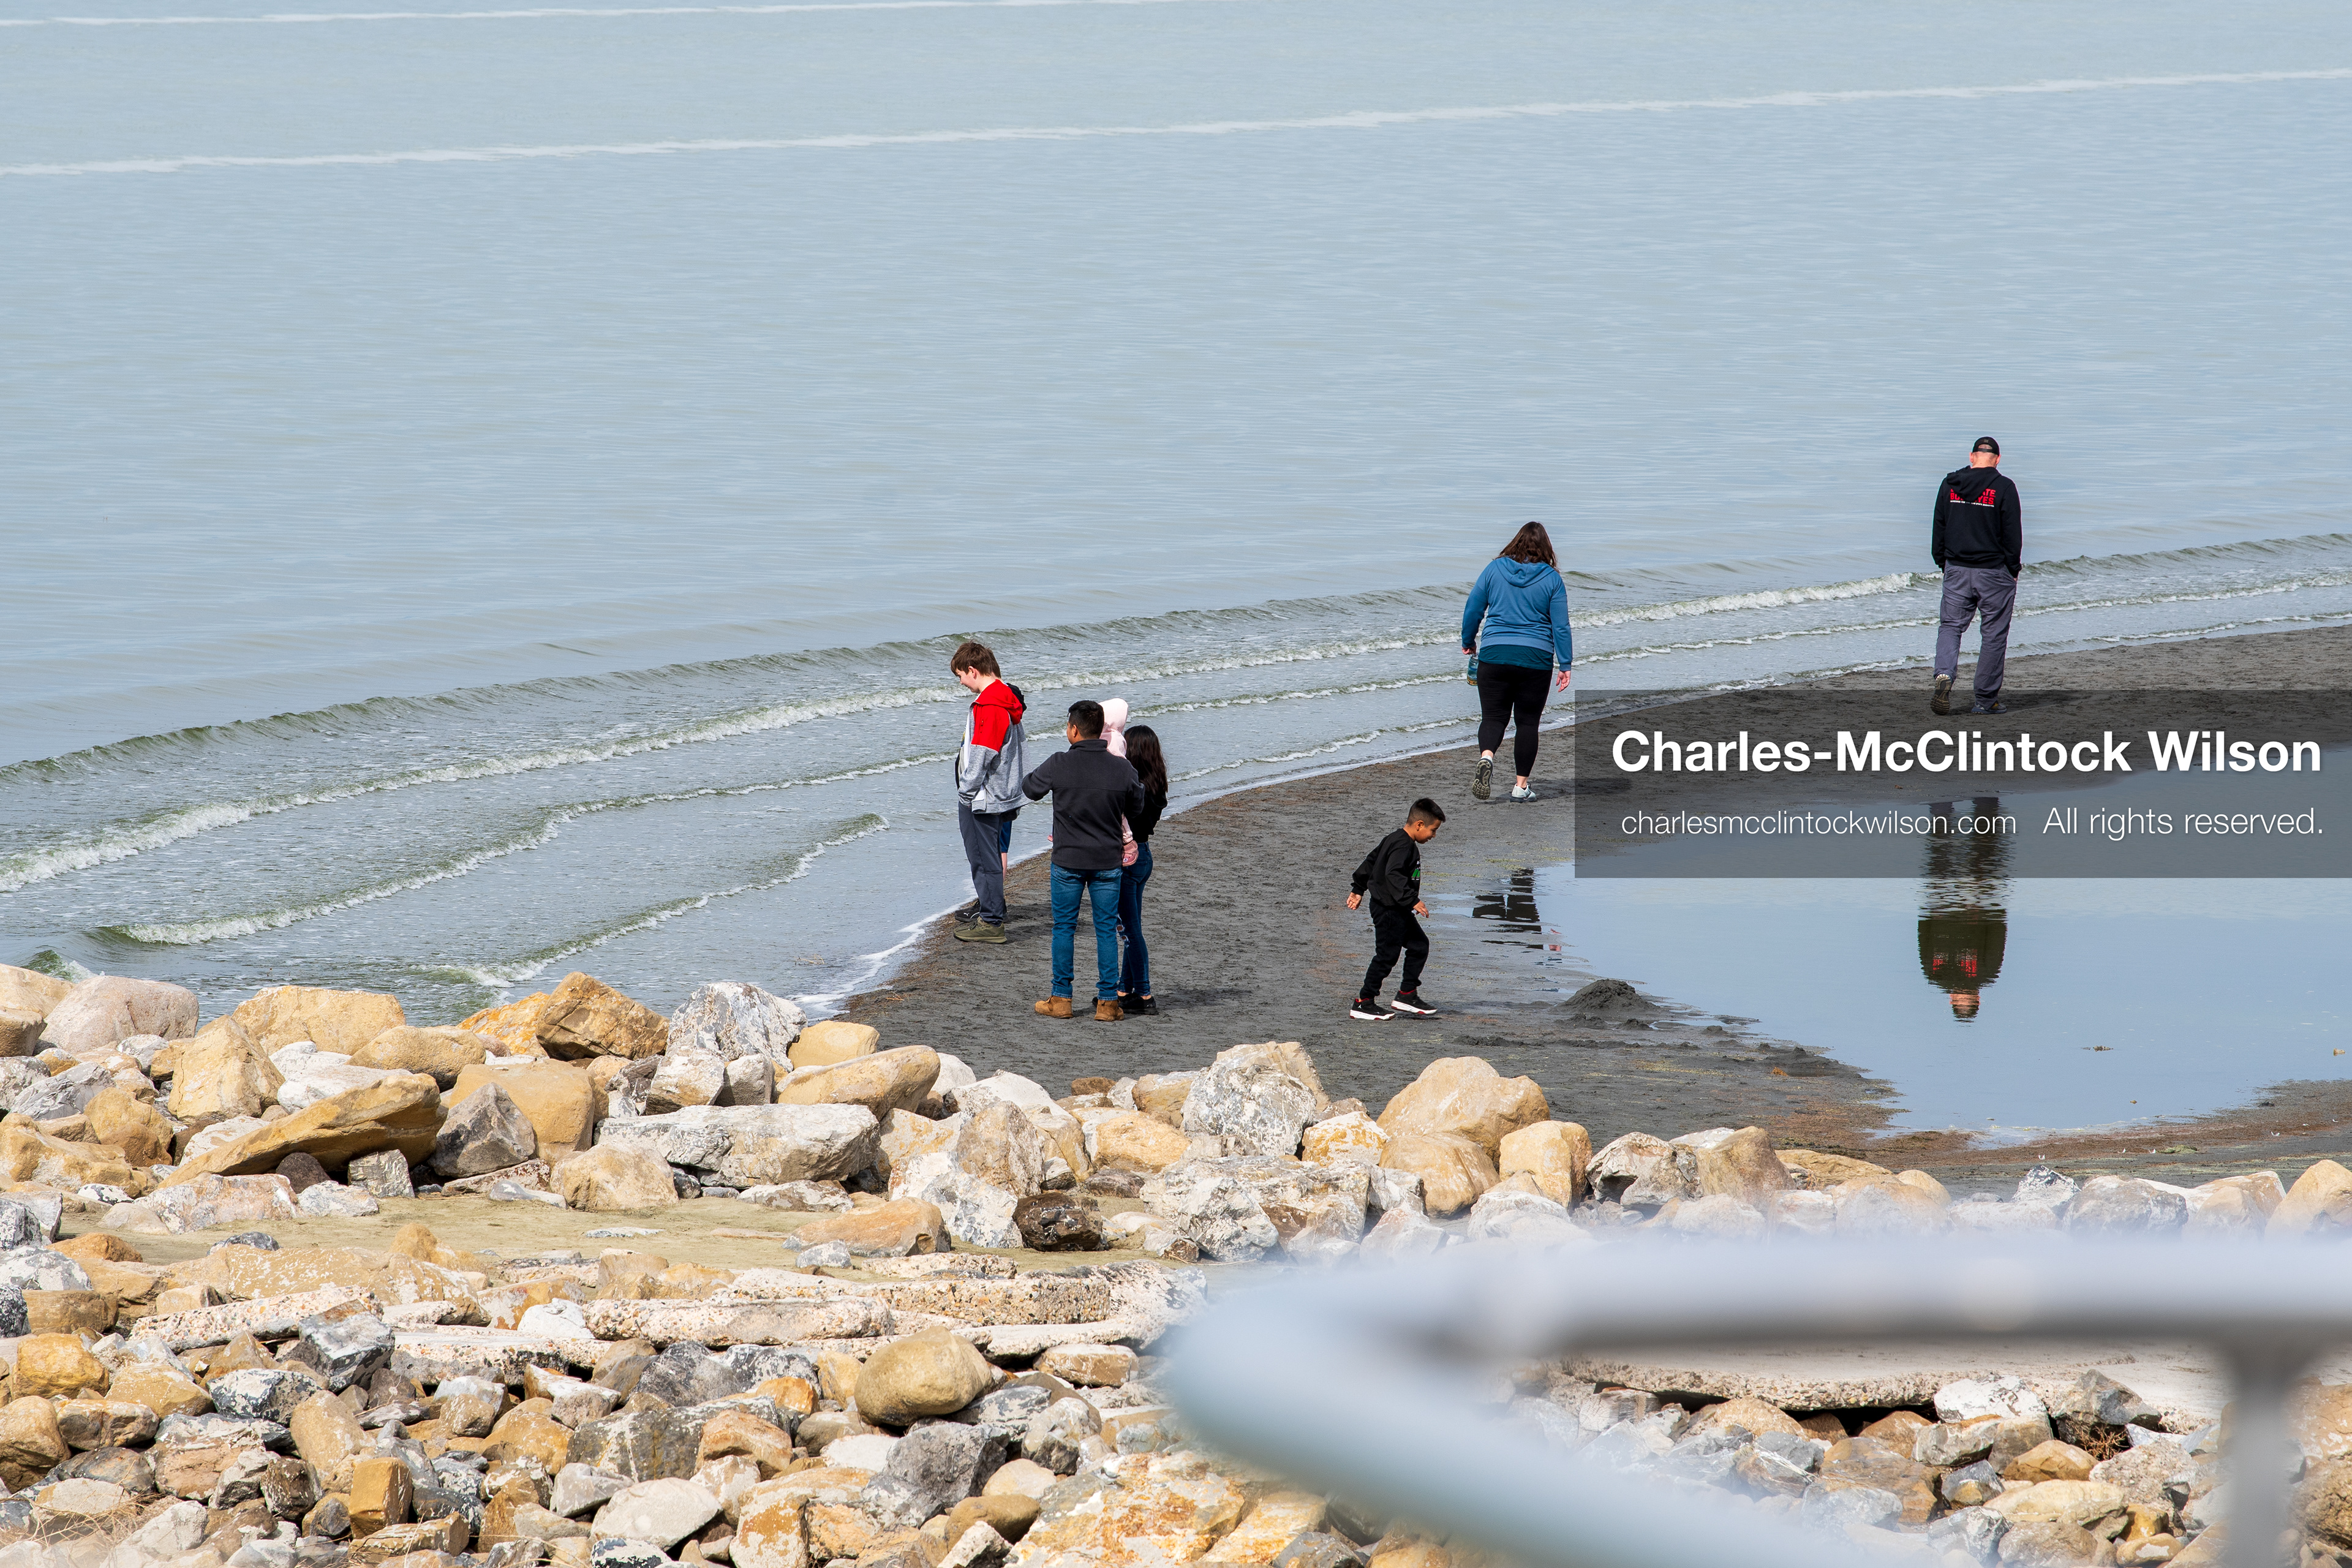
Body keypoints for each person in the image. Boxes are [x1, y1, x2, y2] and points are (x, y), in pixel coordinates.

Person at [1022, 699, 1144, 1020]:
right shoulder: (1120, 766)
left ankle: (1061, 999)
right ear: (1100, 730)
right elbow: (1137, 803)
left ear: (1074, 730)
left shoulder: (1060, 763)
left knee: (1064, 927)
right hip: (1107, 860)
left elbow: (1030, 788)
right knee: (1105, 929)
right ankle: (1107, 1003)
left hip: (1068, 860)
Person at [1461, 522, 1574, 801]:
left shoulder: (1494, 569)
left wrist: (1468, 640)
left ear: (1516, 542)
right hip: (1535, 660)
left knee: (1494, 717)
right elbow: (1561, 627)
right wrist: (1565, 664)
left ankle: (1487, 756)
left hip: (1495, 654)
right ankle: (1521, 786)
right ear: (1547, 547)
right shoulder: (1552, 579)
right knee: (1527, 723)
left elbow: (1474, 607)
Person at [1930, 437, 2023, 716]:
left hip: (1957, 569)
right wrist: (2014, 568)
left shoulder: (1950, 485)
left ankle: (1944, 675)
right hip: (1994, 573)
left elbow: (1939, 524)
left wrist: (1942, 561)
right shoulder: (2004, 487)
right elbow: (2012, 534)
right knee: (1993, 634)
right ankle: (1985, 700)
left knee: (1950, 626)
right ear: (1997, 459)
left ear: (1973, 457)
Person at [950, 641, 1026, 943]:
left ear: (973, 670)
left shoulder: (991, 704)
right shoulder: (1005, 698)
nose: (961, 683)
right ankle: (990, 915)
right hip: (998, 792)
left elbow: (983, 753)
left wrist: (966, 792)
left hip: (983, 796)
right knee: (988, 856)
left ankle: (992, 921)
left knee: (984, 858)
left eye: (960, 676)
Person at [1346, 797, 1446, 1020]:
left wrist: (1359, 888)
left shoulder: (1394, 838)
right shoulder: (1403, 845)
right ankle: (1364, 1002)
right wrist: (1413, 900)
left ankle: (1406, 994)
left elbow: (1371, 861)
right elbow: (1393, 875)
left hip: (1397, 909)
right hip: (1388, 909)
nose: (1433, 836)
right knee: (1386, 956)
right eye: (1433, 830)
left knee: (1419, 945)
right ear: (1419, 825)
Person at [1117, 723, 1169, 1015]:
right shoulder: (1157, 784)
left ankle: (1145, 994)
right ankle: (1126, 990)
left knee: (1130, 932)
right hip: (1145, 855)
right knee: (1132, 927)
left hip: (1129, 858)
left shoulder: (1133, 789)